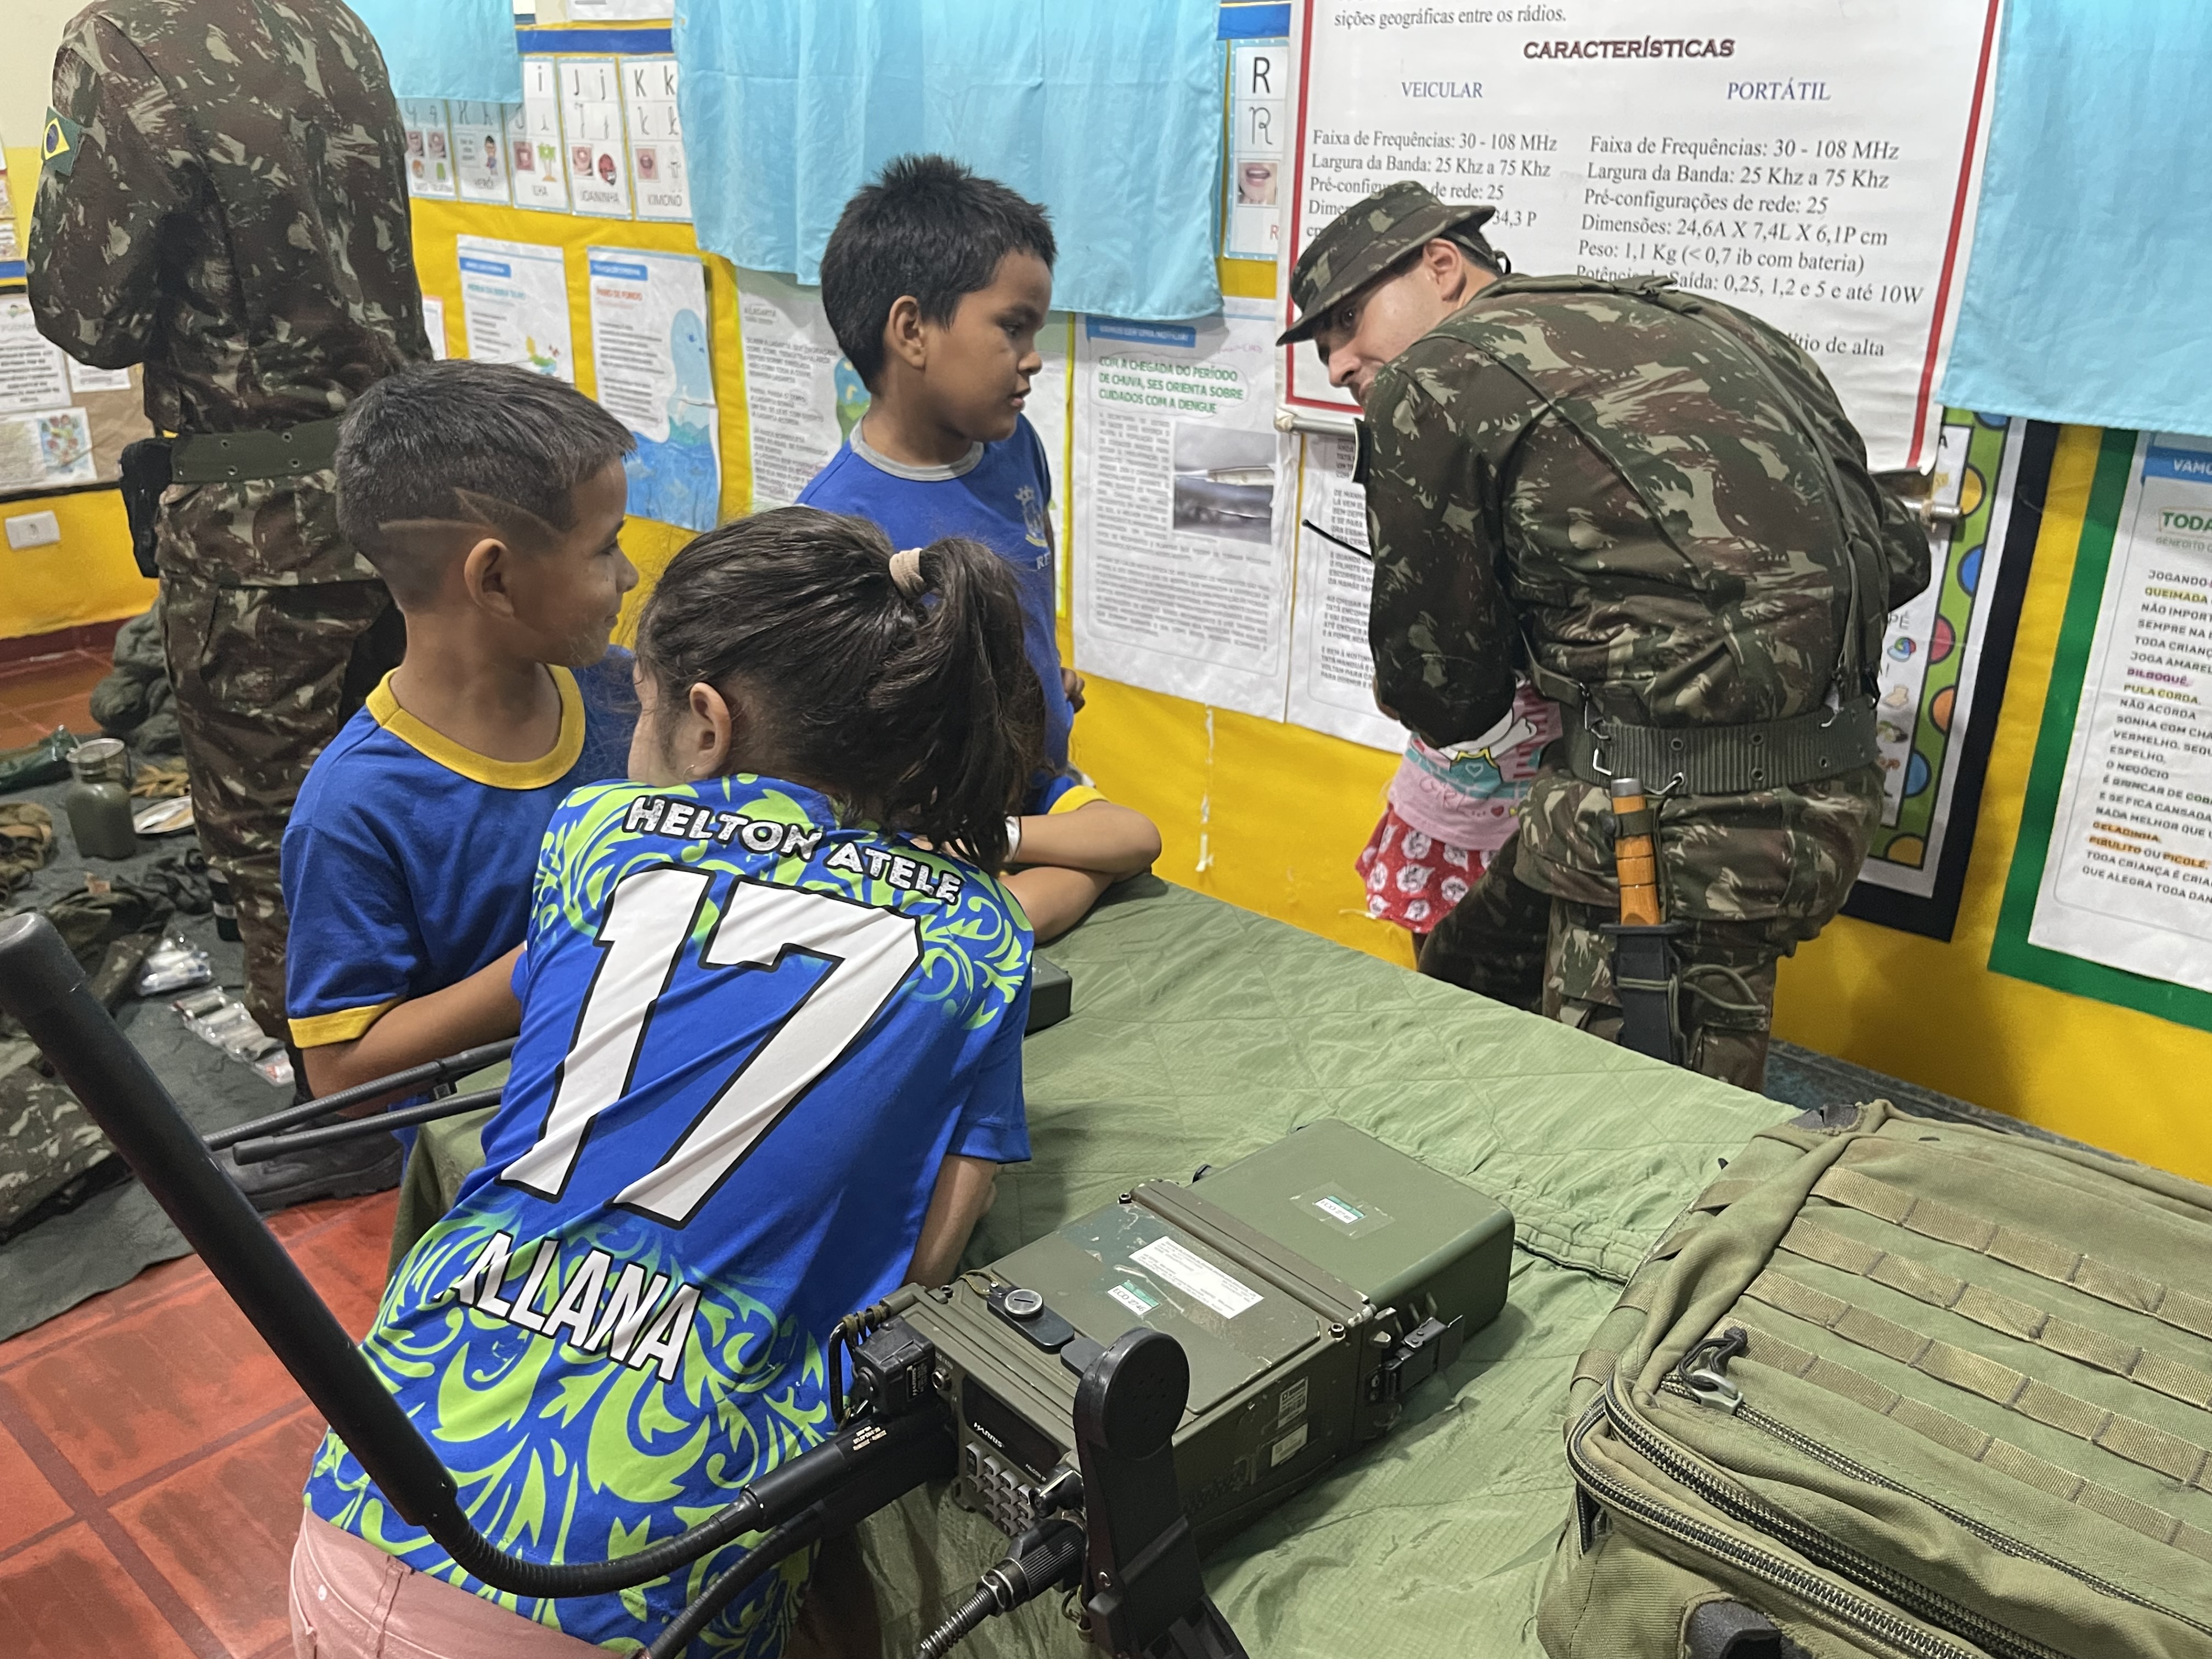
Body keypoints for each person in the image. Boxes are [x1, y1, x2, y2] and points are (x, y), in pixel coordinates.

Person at [290, 507, 1043, 1659]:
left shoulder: (594, 833)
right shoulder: (982, 931)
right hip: (654, 1587)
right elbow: (926, 1266)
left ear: (705, 722)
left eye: (634, 705)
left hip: (373, 1486)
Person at [1282, 182, 1930, 1088]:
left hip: (1674, 832)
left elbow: (1444, 694)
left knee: (1635, 1127)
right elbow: (1899, 555)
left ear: (1442, 264)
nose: (1341, 361)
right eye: (1323, 347)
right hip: (1825, 791)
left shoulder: (1437, 373)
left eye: (1348, 319)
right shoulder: (1709, 319)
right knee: (1471, 975)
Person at [27, 0, 429, 1094]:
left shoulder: (124, 39)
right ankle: (458, 1060)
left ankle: (341, 1118)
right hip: (403, 477)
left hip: (260, 518)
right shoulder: (335, 22)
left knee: (274, 837)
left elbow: (86, 313)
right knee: (414, 784)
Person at [262, 363, 639, 1201]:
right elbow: (340, 1068)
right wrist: (562, 951)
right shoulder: (355, 810)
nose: (629, 577)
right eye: (606, 545)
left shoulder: (627, 691)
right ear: (495, 578)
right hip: (508, 1177)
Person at [803, 154, 1156, 935]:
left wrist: (1034, 660)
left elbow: (1028, 575)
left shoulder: (1016, 447)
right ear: (911, 331)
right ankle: (962, 930)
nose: (1032, 357)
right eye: (1012, 327)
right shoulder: (837, 525)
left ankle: (987, 910)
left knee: (1128, 842)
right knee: (1076, 871)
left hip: (1037, 787)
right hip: (923, 819)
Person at [1356, 682, 1559, 960]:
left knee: (1520, 969)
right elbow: (1391, 697)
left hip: (1523, 834)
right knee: (1435, 972)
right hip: (1432, 827)